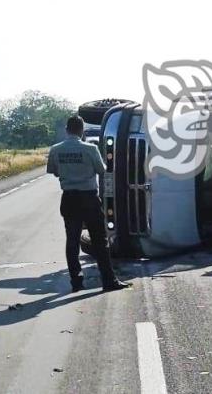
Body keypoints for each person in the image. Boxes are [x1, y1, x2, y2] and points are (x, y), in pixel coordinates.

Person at [47, 115, 131, 293]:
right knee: (100, 241)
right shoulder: (90, 149)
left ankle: (76, 282)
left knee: (72, 240)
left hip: (69, 198)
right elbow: (102, 170)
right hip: (89, 198)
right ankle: (109, 280)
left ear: (67, 130)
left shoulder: (55, 149)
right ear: (81, 130)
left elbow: (53, 171)